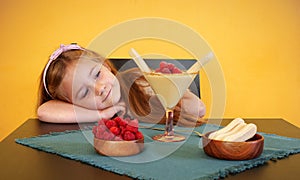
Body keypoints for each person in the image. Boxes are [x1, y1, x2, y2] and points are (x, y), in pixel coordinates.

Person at [37, 44, 206, 127]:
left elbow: (198, 109)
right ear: (71, 104)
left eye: (97, 75)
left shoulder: (138, 81)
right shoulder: (85, 113)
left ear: (106, 66)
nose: (99, 88)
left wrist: (177, 87)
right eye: (83, 93)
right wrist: (102, 115)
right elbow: (44, 111)